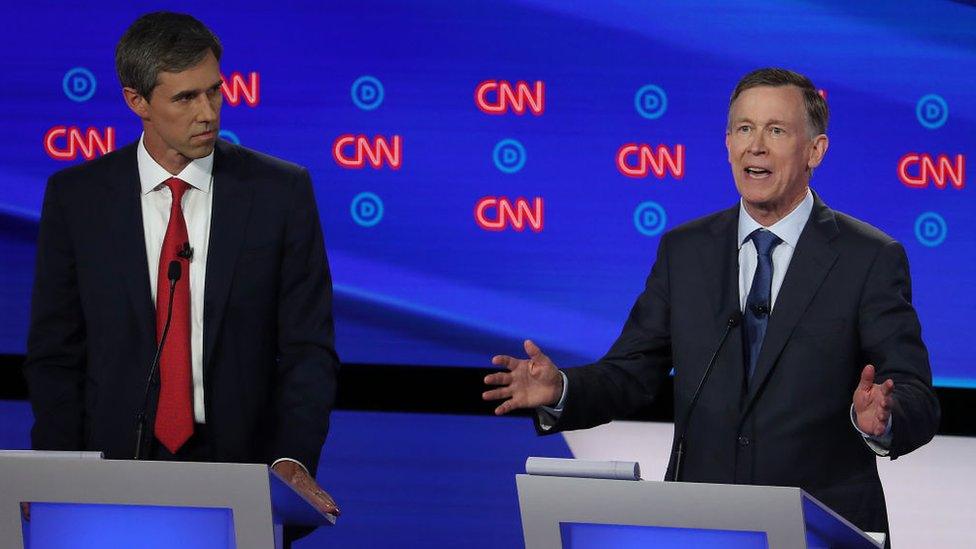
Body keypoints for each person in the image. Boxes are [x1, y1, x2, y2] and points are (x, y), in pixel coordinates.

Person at [483, 68, 939, 539]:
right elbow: (631, 373)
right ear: (727, 144)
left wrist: (881, 420)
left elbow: (915, 395)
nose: (755, 146)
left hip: (820, 528)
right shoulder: (687, 250)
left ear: (815, 151)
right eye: (744, 128)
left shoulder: (868, 257)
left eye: (775, 130)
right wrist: (561, 389)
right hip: (703, 526)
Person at [23, 11, 340, 526]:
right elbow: (55, 356)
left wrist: (292, 458)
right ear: (137, 101)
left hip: (241, 471)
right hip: (111, 471)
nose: (208, 112)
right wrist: (56, 472)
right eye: (185, 98)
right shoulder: (76, 199)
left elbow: (308, 349)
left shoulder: (280, 194)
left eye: (214, 91)